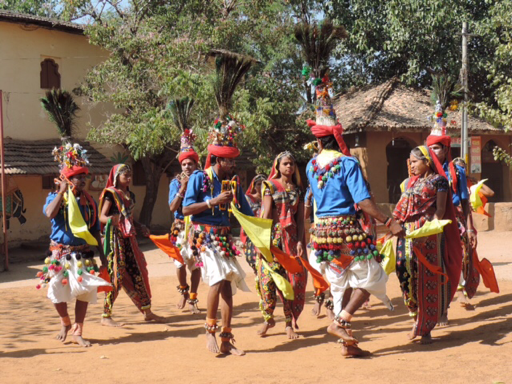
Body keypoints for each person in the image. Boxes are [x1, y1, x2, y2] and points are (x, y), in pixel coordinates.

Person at [305, 74, 404, 357]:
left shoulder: (311, 166)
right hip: (345, 230)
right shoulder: (347, 163)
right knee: (373, 278)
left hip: (322, 234)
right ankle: (341, 321)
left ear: (319, 141)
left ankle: (348, 345)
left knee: (340, 283)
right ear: (338, 135)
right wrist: (388, 221)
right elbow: (363, 202)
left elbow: (313, 201)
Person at [40, 142, 110, 347]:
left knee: (84, 292)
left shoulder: (90, 202)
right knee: (54, 290)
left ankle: (78, 331)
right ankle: (65, 322)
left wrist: (103, 256)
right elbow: (49, 213)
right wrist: (61, 193)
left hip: (83, 254)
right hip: (60, 254)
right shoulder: (55, 198)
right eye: (76, 177)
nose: (81, 180)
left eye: (83, 177)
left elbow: (95, 230)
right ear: (66, 179)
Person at [393, 146, 462, 343]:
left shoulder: (439, 181)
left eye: (414, 161)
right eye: (410, 162)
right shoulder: (411, 182)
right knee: (406, 274)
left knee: (427, 278)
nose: (411, 165)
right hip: (407, 233)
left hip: (428, 232)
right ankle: (416, 319)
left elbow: (440, 210)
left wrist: (427, 231)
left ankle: (425, 327)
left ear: (427, 161)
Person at [99, 164, 164, 326]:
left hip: (129, 239)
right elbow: (102, 217)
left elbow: (129, 218)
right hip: (116, 239)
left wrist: (139, 225)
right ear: (116, 177)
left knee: (137, 271)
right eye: (125, 176)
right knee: (117, 275)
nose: (128, 178)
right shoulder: (111, 195)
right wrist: (113, 221)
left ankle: (147, 312)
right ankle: (105, 315)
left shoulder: (131, 195)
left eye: (130, 175)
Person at [256, 152, 306, 339]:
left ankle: (288, 323)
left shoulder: (298, 189)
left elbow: (300, 219)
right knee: (268, 280)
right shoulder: (270, 186)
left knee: (290, 282)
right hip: (274, 239)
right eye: (285, 163)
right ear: (277, 166)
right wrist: (262, 242)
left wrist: (300, 240)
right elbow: (266, 214)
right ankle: (268, 318)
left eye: (292, 163)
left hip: (292, 240)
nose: (289, 167)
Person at [427, 132, 478, 314]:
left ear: (445, 149)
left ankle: (459, 291)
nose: (432, 151)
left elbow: (465, 201)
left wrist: (470, 228)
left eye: (436, 148)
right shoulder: (424, 168)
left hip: (456, 219)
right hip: (432, 220)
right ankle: (442, 306)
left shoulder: (456, 171)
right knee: (436, 258)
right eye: (430, 148)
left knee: (459, 256)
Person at [168, 126, 202, 314]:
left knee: (195, 264)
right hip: (180, 228)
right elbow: (173, 208)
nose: (187, 167)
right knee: (179, 263)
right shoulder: (175, 182)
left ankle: (193, 298)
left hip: (196, 229)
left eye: (190, 164)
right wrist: (182, 188)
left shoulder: (202, 180)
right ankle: (183, 290)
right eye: (184, 164)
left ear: (196, 165)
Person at [240, 174, 266, 274]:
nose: (261, 187)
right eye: (259, 184)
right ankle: (257, 277)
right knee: (252, 258)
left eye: (263, 184)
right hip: (251, 233)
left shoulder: (268, 199)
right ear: (254, 186)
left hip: (264, 232)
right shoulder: (248, 199)